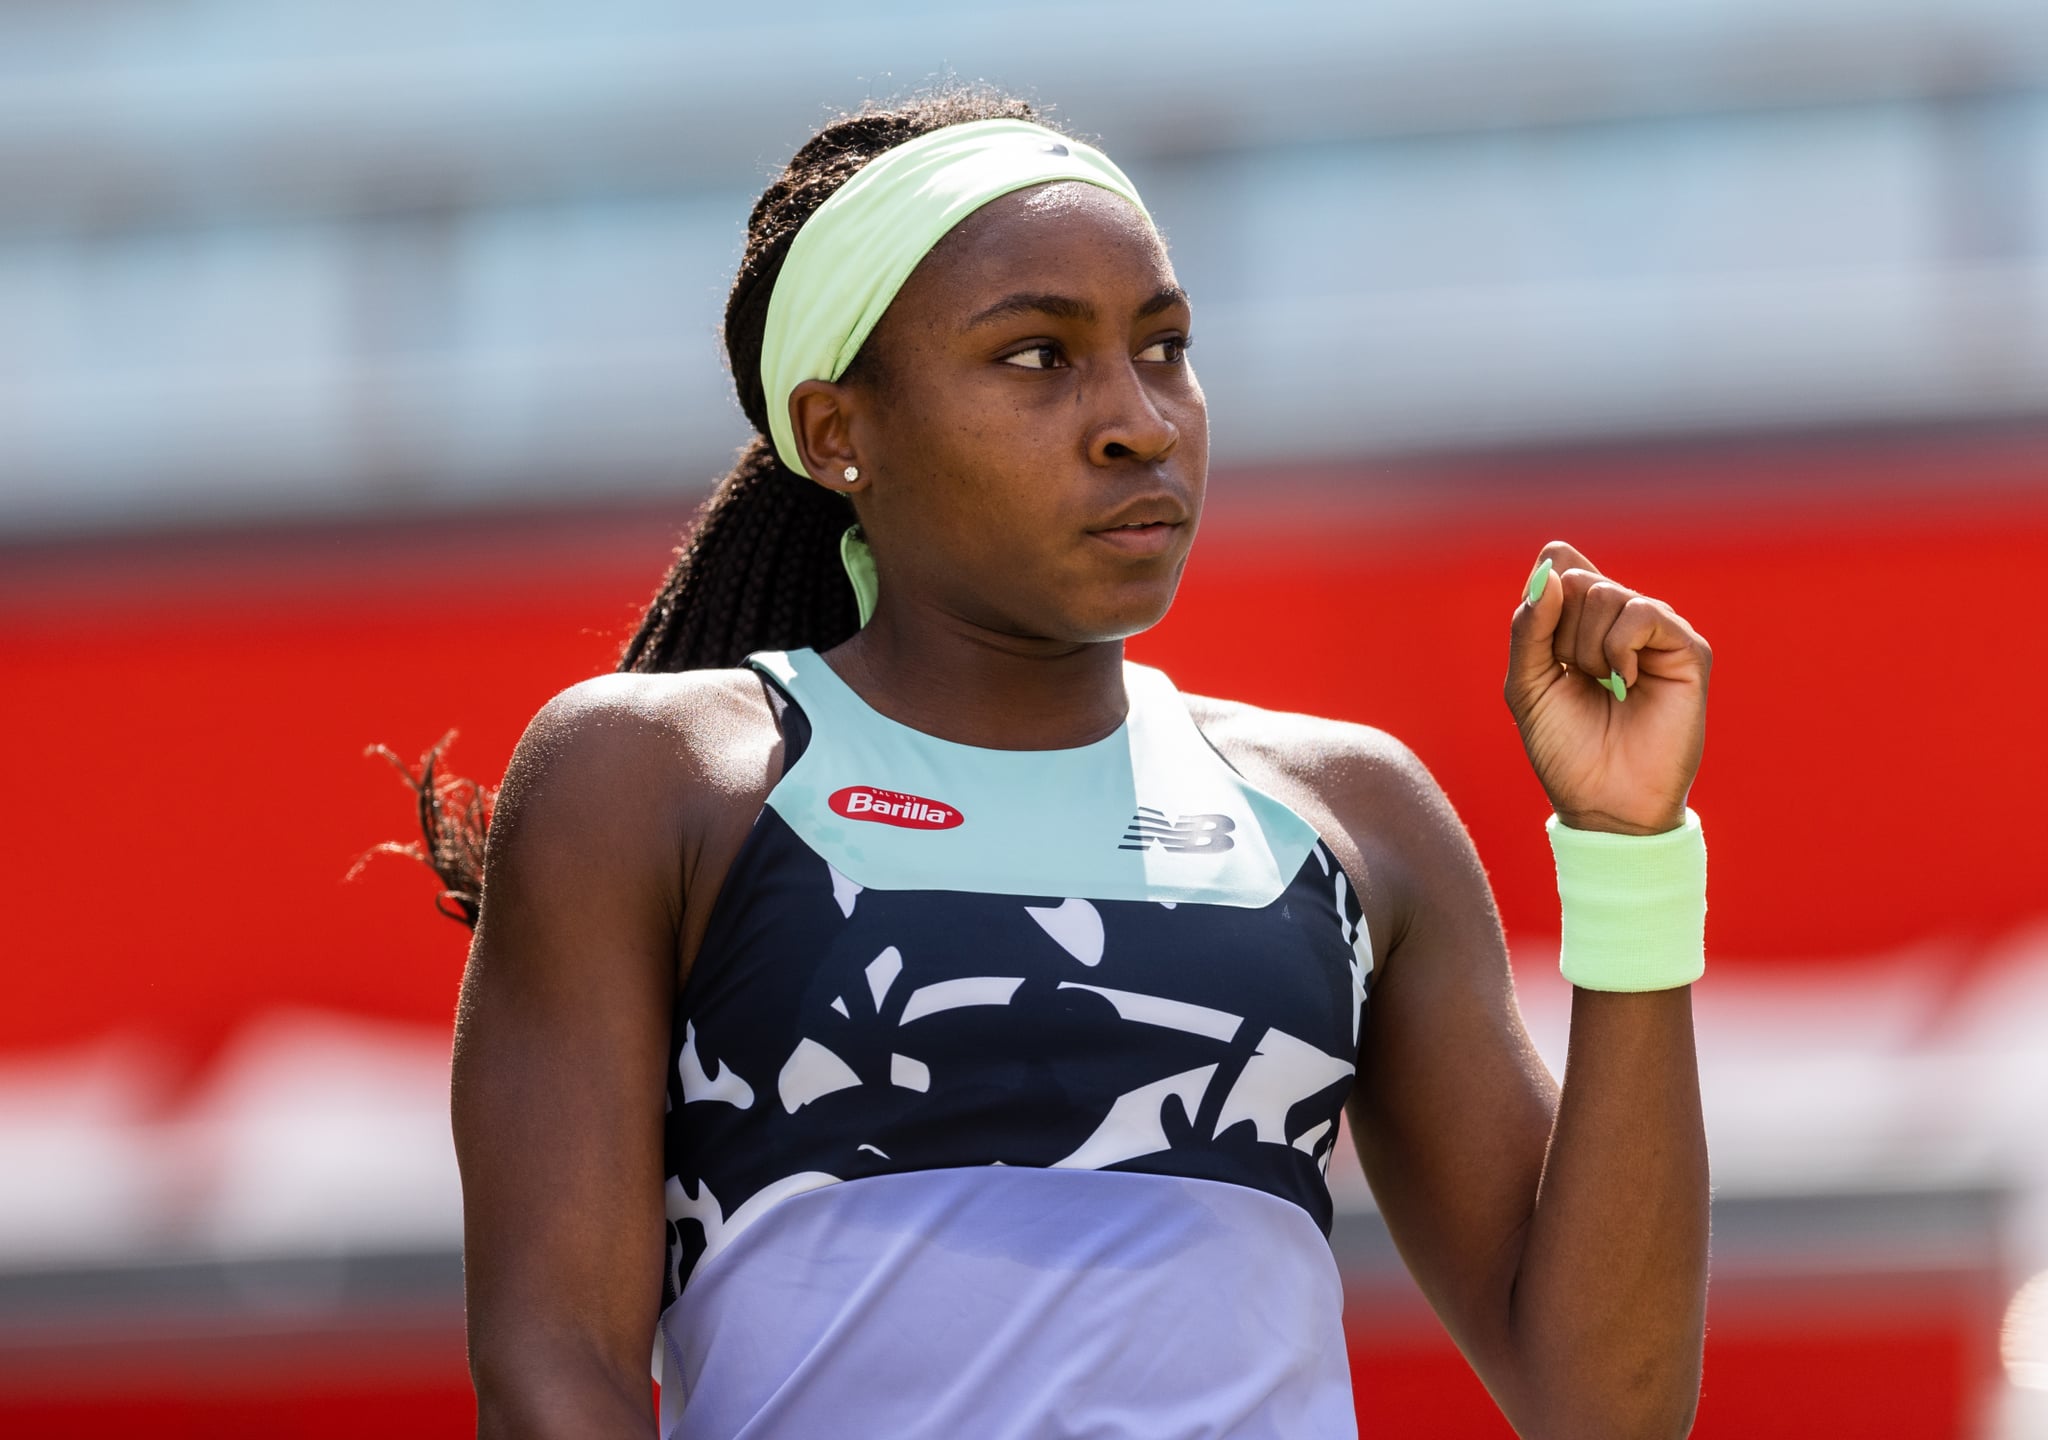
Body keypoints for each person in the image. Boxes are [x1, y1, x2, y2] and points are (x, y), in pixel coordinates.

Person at [414, 89, 1711, 1440]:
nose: (1139, 421)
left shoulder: (1347, 814)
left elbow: (1605, 1411)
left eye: (1167, 347)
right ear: (839, 429)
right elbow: (553, 1366)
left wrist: (1633, 857)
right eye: (1037, 357)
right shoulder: (653, 779)